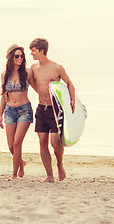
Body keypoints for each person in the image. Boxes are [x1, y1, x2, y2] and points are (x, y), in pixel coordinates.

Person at [29, 38, 75, 183]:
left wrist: (72, 100)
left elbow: (69, 84)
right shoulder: (34, 68)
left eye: (33, 50)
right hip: (42, 108)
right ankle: (49, 175)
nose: (31, 53)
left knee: (55, 142)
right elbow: (32, 83)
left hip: (56, 110)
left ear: (41, 51)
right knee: (42, 141)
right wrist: (41, 94)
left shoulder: (56, 68)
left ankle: (60, 164)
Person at [0, 44, 36, 180]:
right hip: (9, 111)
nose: (20, 58)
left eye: (22, 56)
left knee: (16, 143)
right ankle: (21, 163)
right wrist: (0, 114)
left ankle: (14, 175)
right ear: (10, 58)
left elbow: (37, 88)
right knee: (10, 146)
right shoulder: (5, 74)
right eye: (17, 56)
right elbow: (4, 95)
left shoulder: (27, 72)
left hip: (24, 110)